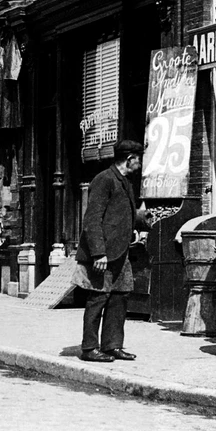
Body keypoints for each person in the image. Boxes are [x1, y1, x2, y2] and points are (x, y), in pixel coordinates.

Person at [73, 139, 147, 363]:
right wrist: (98, 253)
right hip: (104, 254)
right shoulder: (104, 180)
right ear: (130, 159)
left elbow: (118, 215)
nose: (140, 164)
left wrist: (140, 221)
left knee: (120, 297)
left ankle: (112, 345)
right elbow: (92, 219)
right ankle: (89, 348)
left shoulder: (125, 182)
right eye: (138, 159)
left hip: (120, 252)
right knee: (98, 298)